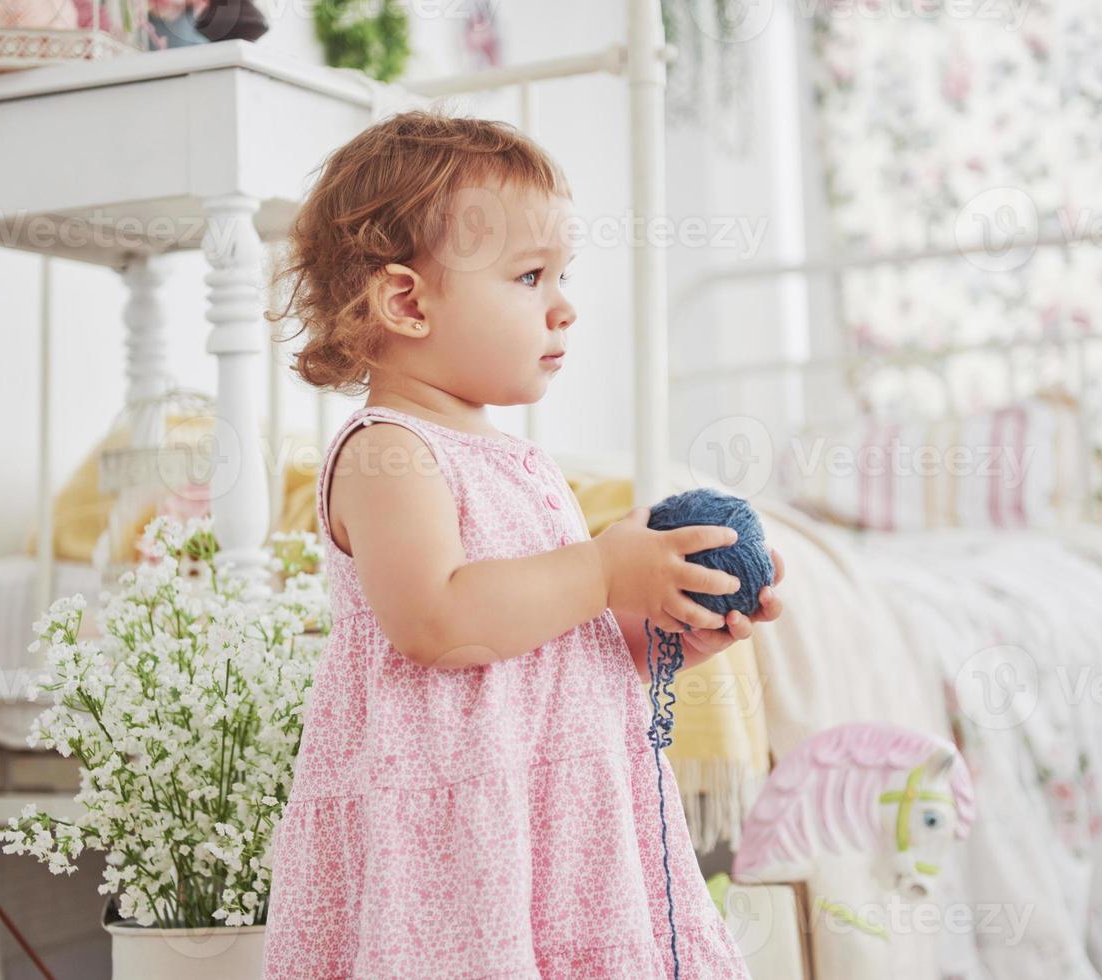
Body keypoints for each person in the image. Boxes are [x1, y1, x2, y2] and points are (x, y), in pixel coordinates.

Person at [259, 110, 783, 978]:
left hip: (558, 825)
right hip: (457, 841)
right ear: (407, 301)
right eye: (530, 276)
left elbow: (554, 643)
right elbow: (437, 620)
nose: (564, 305)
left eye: (561, 274)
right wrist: (605, 567)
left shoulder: (523, 465)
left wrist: (664, 636)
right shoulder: (388, 452)